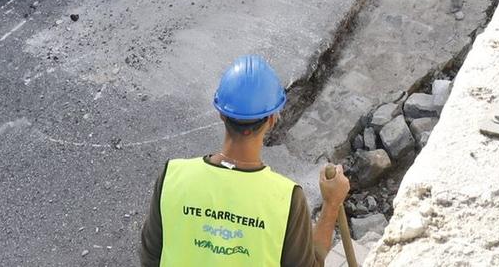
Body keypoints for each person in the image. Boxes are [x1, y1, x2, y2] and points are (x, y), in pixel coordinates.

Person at [139, 55, 349, 267]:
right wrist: (331, 204)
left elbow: (150, 258)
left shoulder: (173, 177)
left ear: (221, 114)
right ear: (272, 118)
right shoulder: (286, 199)